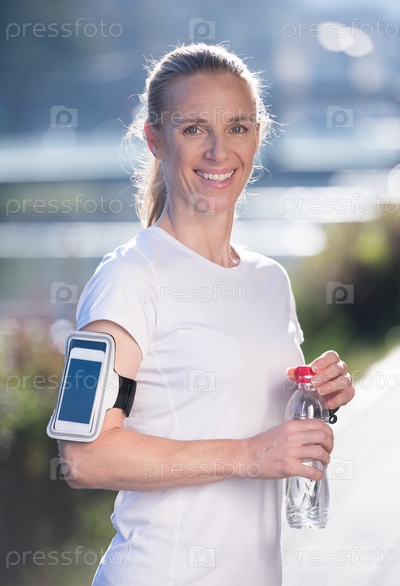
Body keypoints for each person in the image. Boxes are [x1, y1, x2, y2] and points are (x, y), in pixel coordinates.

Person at [59, 42, 354, 586]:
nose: (219, 151)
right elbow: (84, 456)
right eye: (194, 128)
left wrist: (314, 399)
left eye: (237, 127)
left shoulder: (270, 281)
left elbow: (234, 410)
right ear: (154, 139)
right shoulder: (129, 277)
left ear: (257, 136)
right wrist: (250, 455)